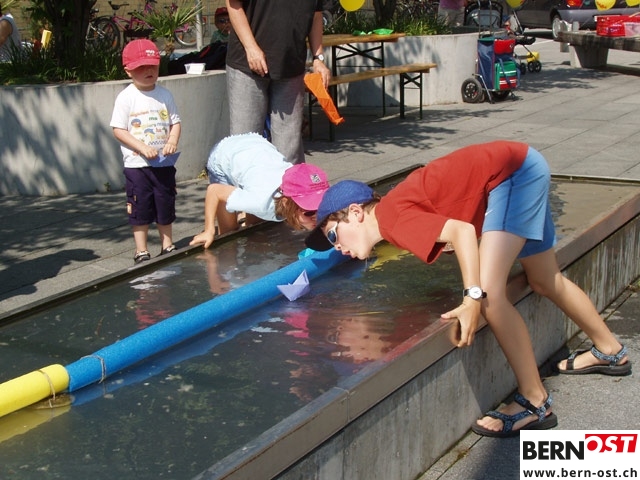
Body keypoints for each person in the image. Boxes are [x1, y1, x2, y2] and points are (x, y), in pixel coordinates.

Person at [305, 141, 631, 437]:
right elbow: (456, 217)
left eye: (333, 235)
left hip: (513, 177)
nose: (336, 247)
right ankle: (610, 351)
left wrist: (471, 297)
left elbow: (460, 232)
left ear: (356, 213)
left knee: (488, 296)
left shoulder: (390, 218)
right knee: (545, 279)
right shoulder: (393, 210)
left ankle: (535, 401)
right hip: (524, 166)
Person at [225, 0, 331, 164]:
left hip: (291, 66)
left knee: (290, 150)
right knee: (245, 146)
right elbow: (233, 5)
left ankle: (287, 181)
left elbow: (316, 15)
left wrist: (318, 58)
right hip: (247, 65)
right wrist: (251, 47)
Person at [189, 133, 329, 249]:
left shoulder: (295, 184)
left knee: (256, 229)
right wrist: (209, 230)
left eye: (320, 208)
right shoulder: (261, 203)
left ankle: (247, 217)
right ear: (286, 203)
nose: (317, 217)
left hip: (258, 149)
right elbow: (214, 191)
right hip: (224, 154)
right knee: (229, 234)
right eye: (309, 212)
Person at [110, 39, 182, 264]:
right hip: (137, 165)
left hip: (163, 163)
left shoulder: (164, 95)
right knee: (139, 206)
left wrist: (172, 140)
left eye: (152, 66)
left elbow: (175, 122)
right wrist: (141, 147)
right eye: (141, 67)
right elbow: (118, 129)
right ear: (128, 70)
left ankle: (167, 244)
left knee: (165, 202)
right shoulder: (126, 97)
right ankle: (141, 249)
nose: (148, 71)